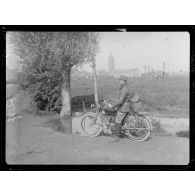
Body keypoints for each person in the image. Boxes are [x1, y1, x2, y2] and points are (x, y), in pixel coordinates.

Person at [107, 75, 134, 141]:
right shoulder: (126, 87)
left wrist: (112, 105)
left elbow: (121, 101)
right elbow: (122, 98)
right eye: (119, 80)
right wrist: (115, 100)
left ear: (124, 81)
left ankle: (116, 137)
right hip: (127, 106)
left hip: (124, 107)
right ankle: (121, 133)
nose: (119, 81)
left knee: (117, 120)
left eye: (121, 80)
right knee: (121, 120)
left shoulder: (124, 88)